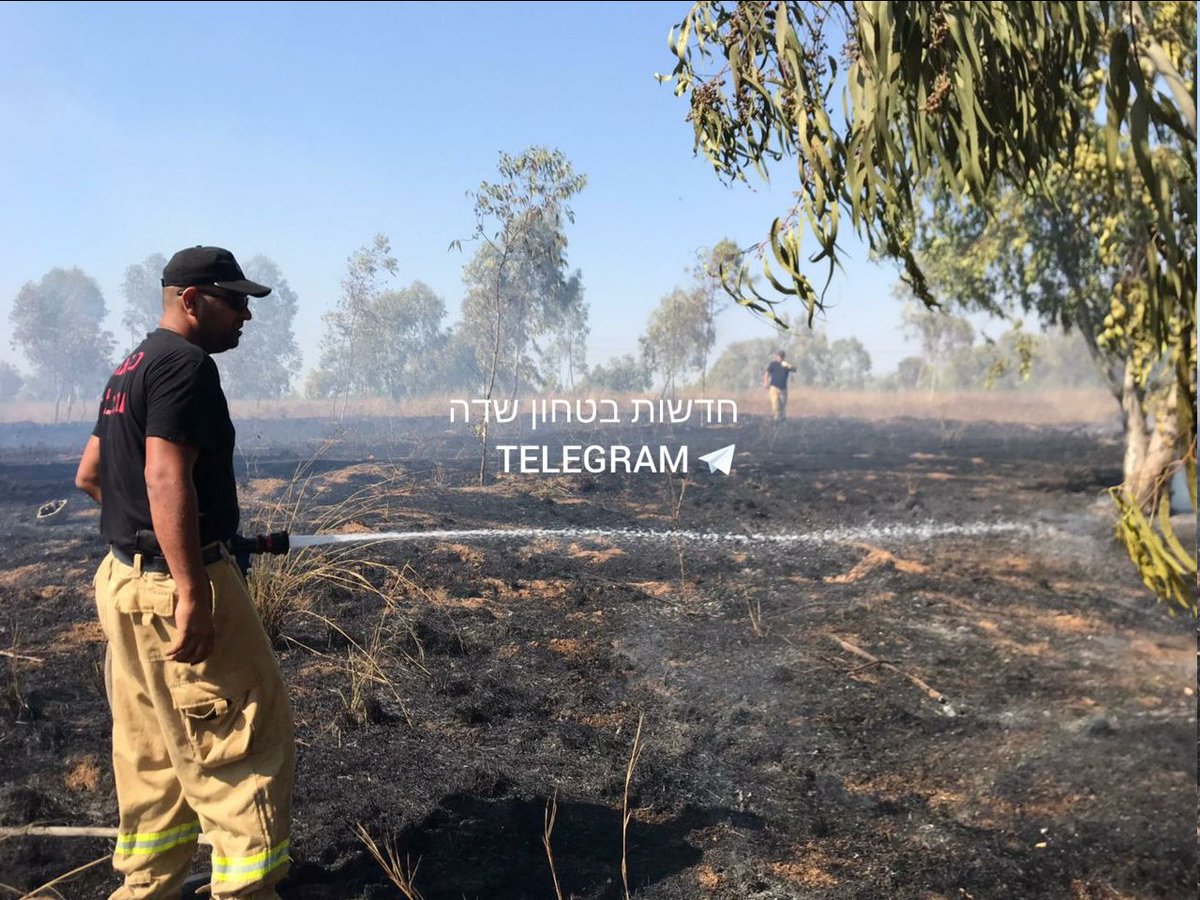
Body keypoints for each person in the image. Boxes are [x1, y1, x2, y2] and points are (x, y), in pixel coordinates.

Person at [75, 246, 294, 900]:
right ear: (191, 300)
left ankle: (146, 888)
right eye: (236, 302)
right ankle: (247, 891)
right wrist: (191, 585)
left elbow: (92, 478)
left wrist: (154, 544)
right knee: (243, 742)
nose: (246, 317)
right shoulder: (186, 367)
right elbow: (165, 475)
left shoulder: (130, 368)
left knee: (153, 757)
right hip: (177, 588)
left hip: (122, 585)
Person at [763, 350, 796, 421]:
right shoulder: (773, 364)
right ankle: (776, 419)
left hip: (783, 389)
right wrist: (766, 382)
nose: (780, 358)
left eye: (782, 356)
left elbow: (794, 370)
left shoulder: (786, 365)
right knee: (775, 404)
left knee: (783, 405)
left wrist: (789, 366)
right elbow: (767, 373)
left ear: (783, 357)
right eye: (779, 356)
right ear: (777, 356)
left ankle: (783, 420)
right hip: (774, 387)